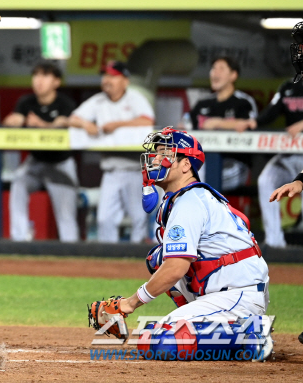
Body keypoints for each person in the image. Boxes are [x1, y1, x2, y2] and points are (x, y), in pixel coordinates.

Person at [89, 127, 272, 361]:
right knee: (157, 259)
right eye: (156, 153)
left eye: (165, 153)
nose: (156, 159)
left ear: (186, 165)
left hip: (238, 294)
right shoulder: (184, 198)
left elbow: (177, 267)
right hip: (226, 289)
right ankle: (199, 321)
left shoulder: (190, 201)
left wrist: (130, 303)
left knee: (161, 342)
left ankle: (249, 335)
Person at [67, 61, 155, 243]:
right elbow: (73, 119)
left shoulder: (135, 98)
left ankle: (137, 261)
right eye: (105, 76)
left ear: (125, 80)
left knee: (139, 219)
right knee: (104, 219)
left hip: (135, 169)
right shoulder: (98, 100)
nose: (107, 80)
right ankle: (109, 262)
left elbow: (147, 121)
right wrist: (86, 124)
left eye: (112, 76)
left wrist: (118, 125)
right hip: (111, 170)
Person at [2, 62, 79, 242]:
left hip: (61, 163)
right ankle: (20, 238)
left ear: (56, 82)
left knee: (66, 214)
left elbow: (66, 126)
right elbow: (11, 121)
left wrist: (43, 125)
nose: (39, 81)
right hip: (35, 161)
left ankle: (73, 255)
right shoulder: (26, 101)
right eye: (36, 76)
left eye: (45, 76)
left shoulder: (65, 103)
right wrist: (14, 121)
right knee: (18, 185)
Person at [239, 78, 303, 248]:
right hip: (290, 152)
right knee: (266, 180)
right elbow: (271, 112)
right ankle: (275, 243)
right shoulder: (289, 87)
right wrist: (255, 122)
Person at [187, 57, 257, 191]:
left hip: (236, 164)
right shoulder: (203, 104)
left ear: (233, 75)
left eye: (221, 69)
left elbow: (251, 124)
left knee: (198, 178)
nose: (215, 73)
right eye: (213, 68)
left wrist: (218, 123)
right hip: (203, 161)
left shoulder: (243, 102)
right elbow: (186, 125)